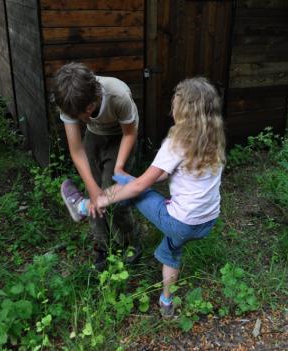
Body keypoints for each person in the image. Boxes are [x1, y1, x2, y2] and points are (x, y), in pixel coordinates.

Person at [63, 77, 225, 317]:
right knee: (172, 251)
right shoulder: (214, 139)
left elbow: (141, 186)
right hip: (206, 222)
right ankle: (166, 303)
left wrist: (117, 187)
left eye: (175, 102)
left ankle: (86, 206)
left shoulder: (177, 142)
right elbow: (164, 175)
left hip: (180, 221)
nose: (172, 107)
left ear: (182, 109)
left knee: (135, 188)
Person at [54, 62, 141, 271]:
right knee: (94, 195)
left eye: (78, 116)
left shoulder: (118, 95)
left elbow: (130, 133)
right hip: (95, 137)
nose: (76, 120)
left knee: (114, 199)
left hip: (121, 137)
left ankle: (132, 243)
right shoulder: (69, 102)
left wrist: (119, 168)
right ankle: (104, 247)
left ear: (91, 106)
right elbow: (77, 151)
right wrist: (92, 189)